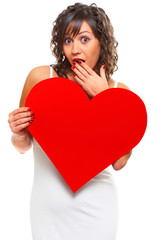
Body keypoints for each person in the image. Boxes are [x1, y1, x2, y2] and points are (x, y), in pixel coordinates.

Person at [8, 3, 132, 240]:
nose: (75, 49)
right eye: (68, 40)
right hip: (47, 209)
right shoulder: (42, 79)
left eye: (84, 39)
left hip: (98, 208)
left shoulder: (117, 92)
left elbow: (120, 162)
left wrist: (104, 98)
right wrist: (19, 133)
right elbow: (22, 146)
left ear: (101, 42)